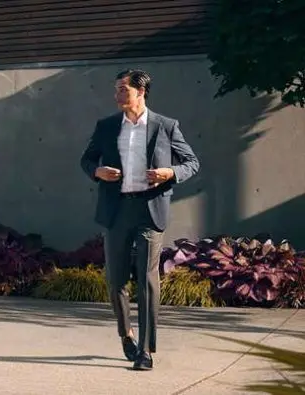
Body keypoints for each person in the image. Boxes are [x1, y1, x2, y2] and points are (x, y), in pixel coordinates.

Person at [80, 69, 200, 371]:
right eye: (117, 89)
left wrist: (169, 173)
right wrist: (98, 172)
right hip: (116, 210)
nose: (117, 94)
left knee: (147, 280)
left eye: (123, 89)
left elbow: (191, 163)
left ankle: (146, 350)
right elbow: (87, 159)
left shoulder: (165, 126)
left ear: (141, 92)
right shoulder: (106, 126)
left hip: (149, 211)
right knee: (116, 281)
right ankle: (126, 335)